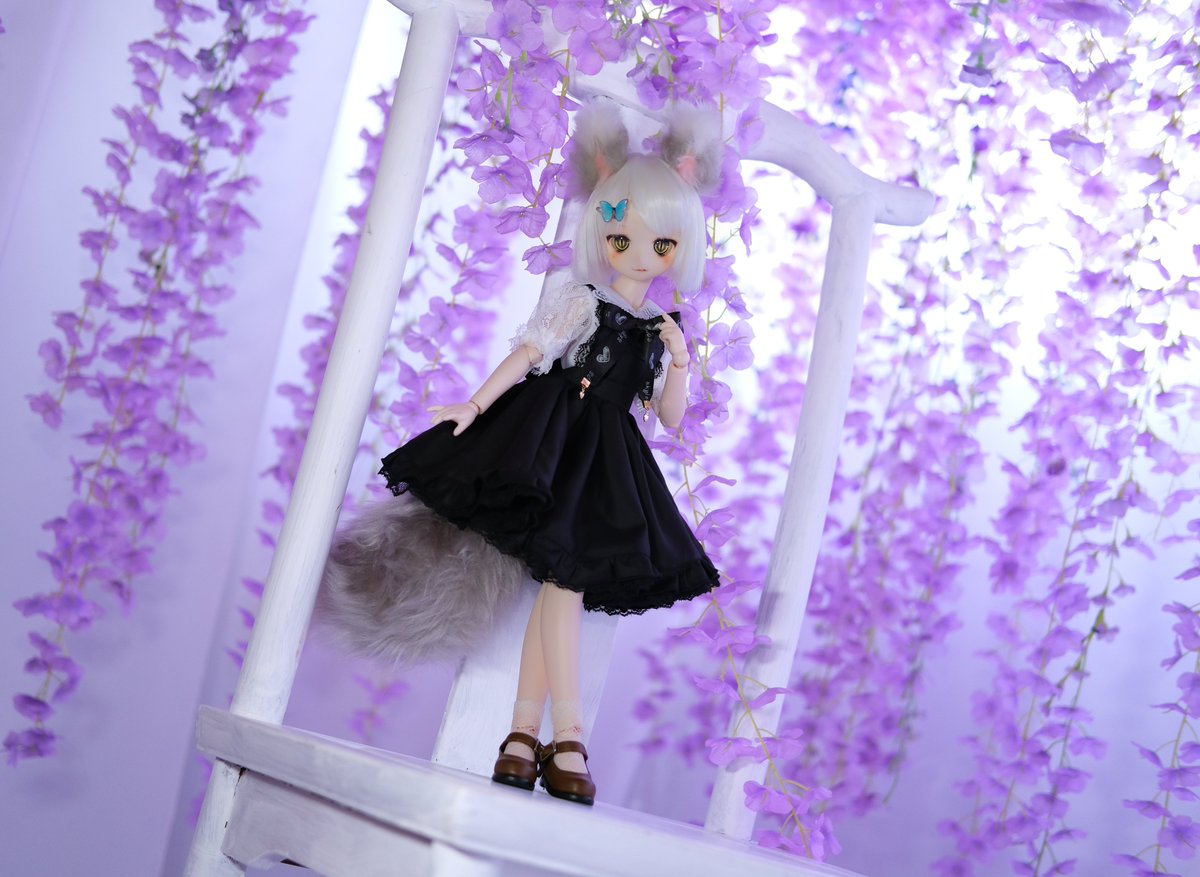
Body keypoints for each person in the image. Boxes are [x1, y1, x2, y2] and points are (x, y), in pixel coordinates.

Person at [327, 101, 723, 806]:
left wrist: (682, 360)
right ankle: (566, 737)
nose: (640, 254)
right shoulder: (582, 299)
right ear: (603, 231)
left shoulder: (662, 328)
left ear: (679, 247)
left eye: (660, 243)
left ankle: (520, 737)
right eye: (622, 235)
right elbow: (531, 351)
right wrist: (475, 405)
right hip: (552, 439)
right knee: (563, 586)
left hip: (608, 459)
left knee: (561, 585)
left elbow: (667, 419)